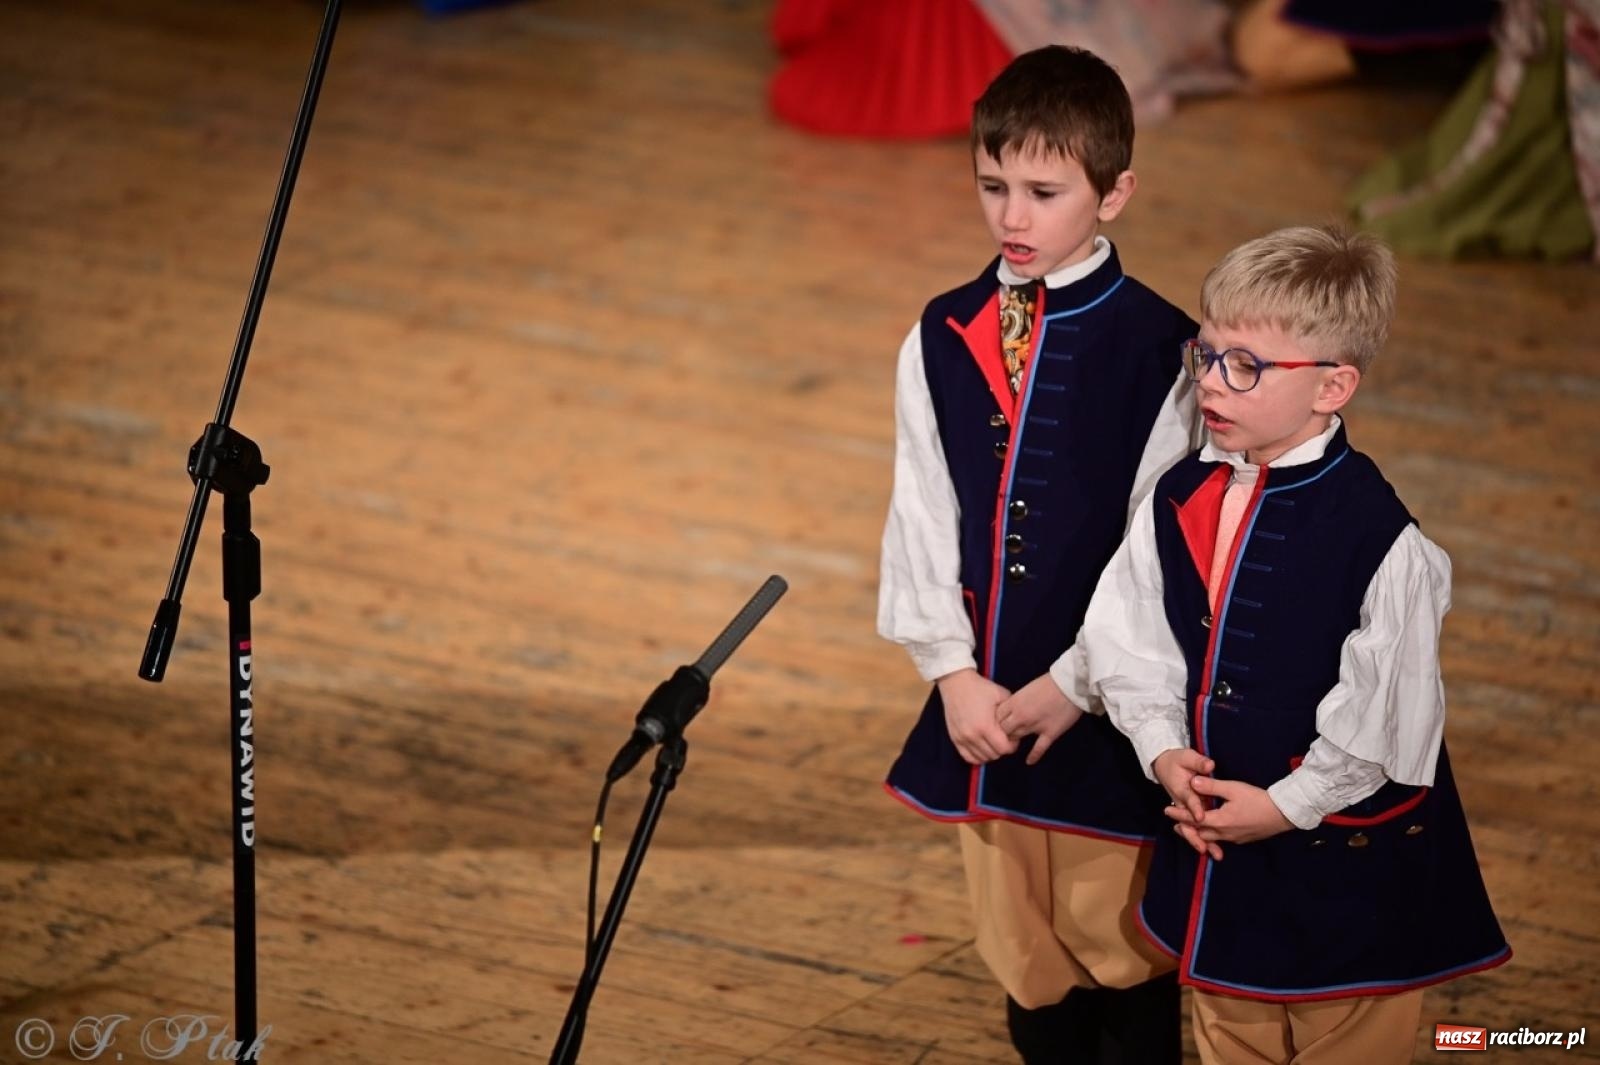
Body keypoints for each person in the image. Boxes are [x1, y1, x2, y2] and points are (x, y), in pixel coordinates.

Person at [1054, 224, 1511, 1063]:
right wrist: (1163, 751)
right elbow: (1128, 637)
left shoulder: (1382, 538)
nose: (1214, 382)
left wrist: (1284, 805)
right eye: (1208, 353)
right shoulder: (1179, 494)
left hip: (1348, 869)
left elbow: (1386, 720)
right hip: (1217, 848)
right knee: (1233, 1033)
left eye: (1248, 366)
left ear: (1333, 385)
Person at [877, 45, 1198, 1064]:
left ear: (1114, 194)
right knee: (1021, 948)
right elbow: (920, 509)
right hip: (982, 712)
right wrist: (951, 674)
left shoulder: (1161, 352)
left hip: (1100, 713)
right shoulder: (941, 332)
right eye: (992, 185)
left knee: (1123, 941)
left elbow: (1158, 552)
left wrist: (1074, 683)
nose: (1011, 216)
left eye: (1043, 191)